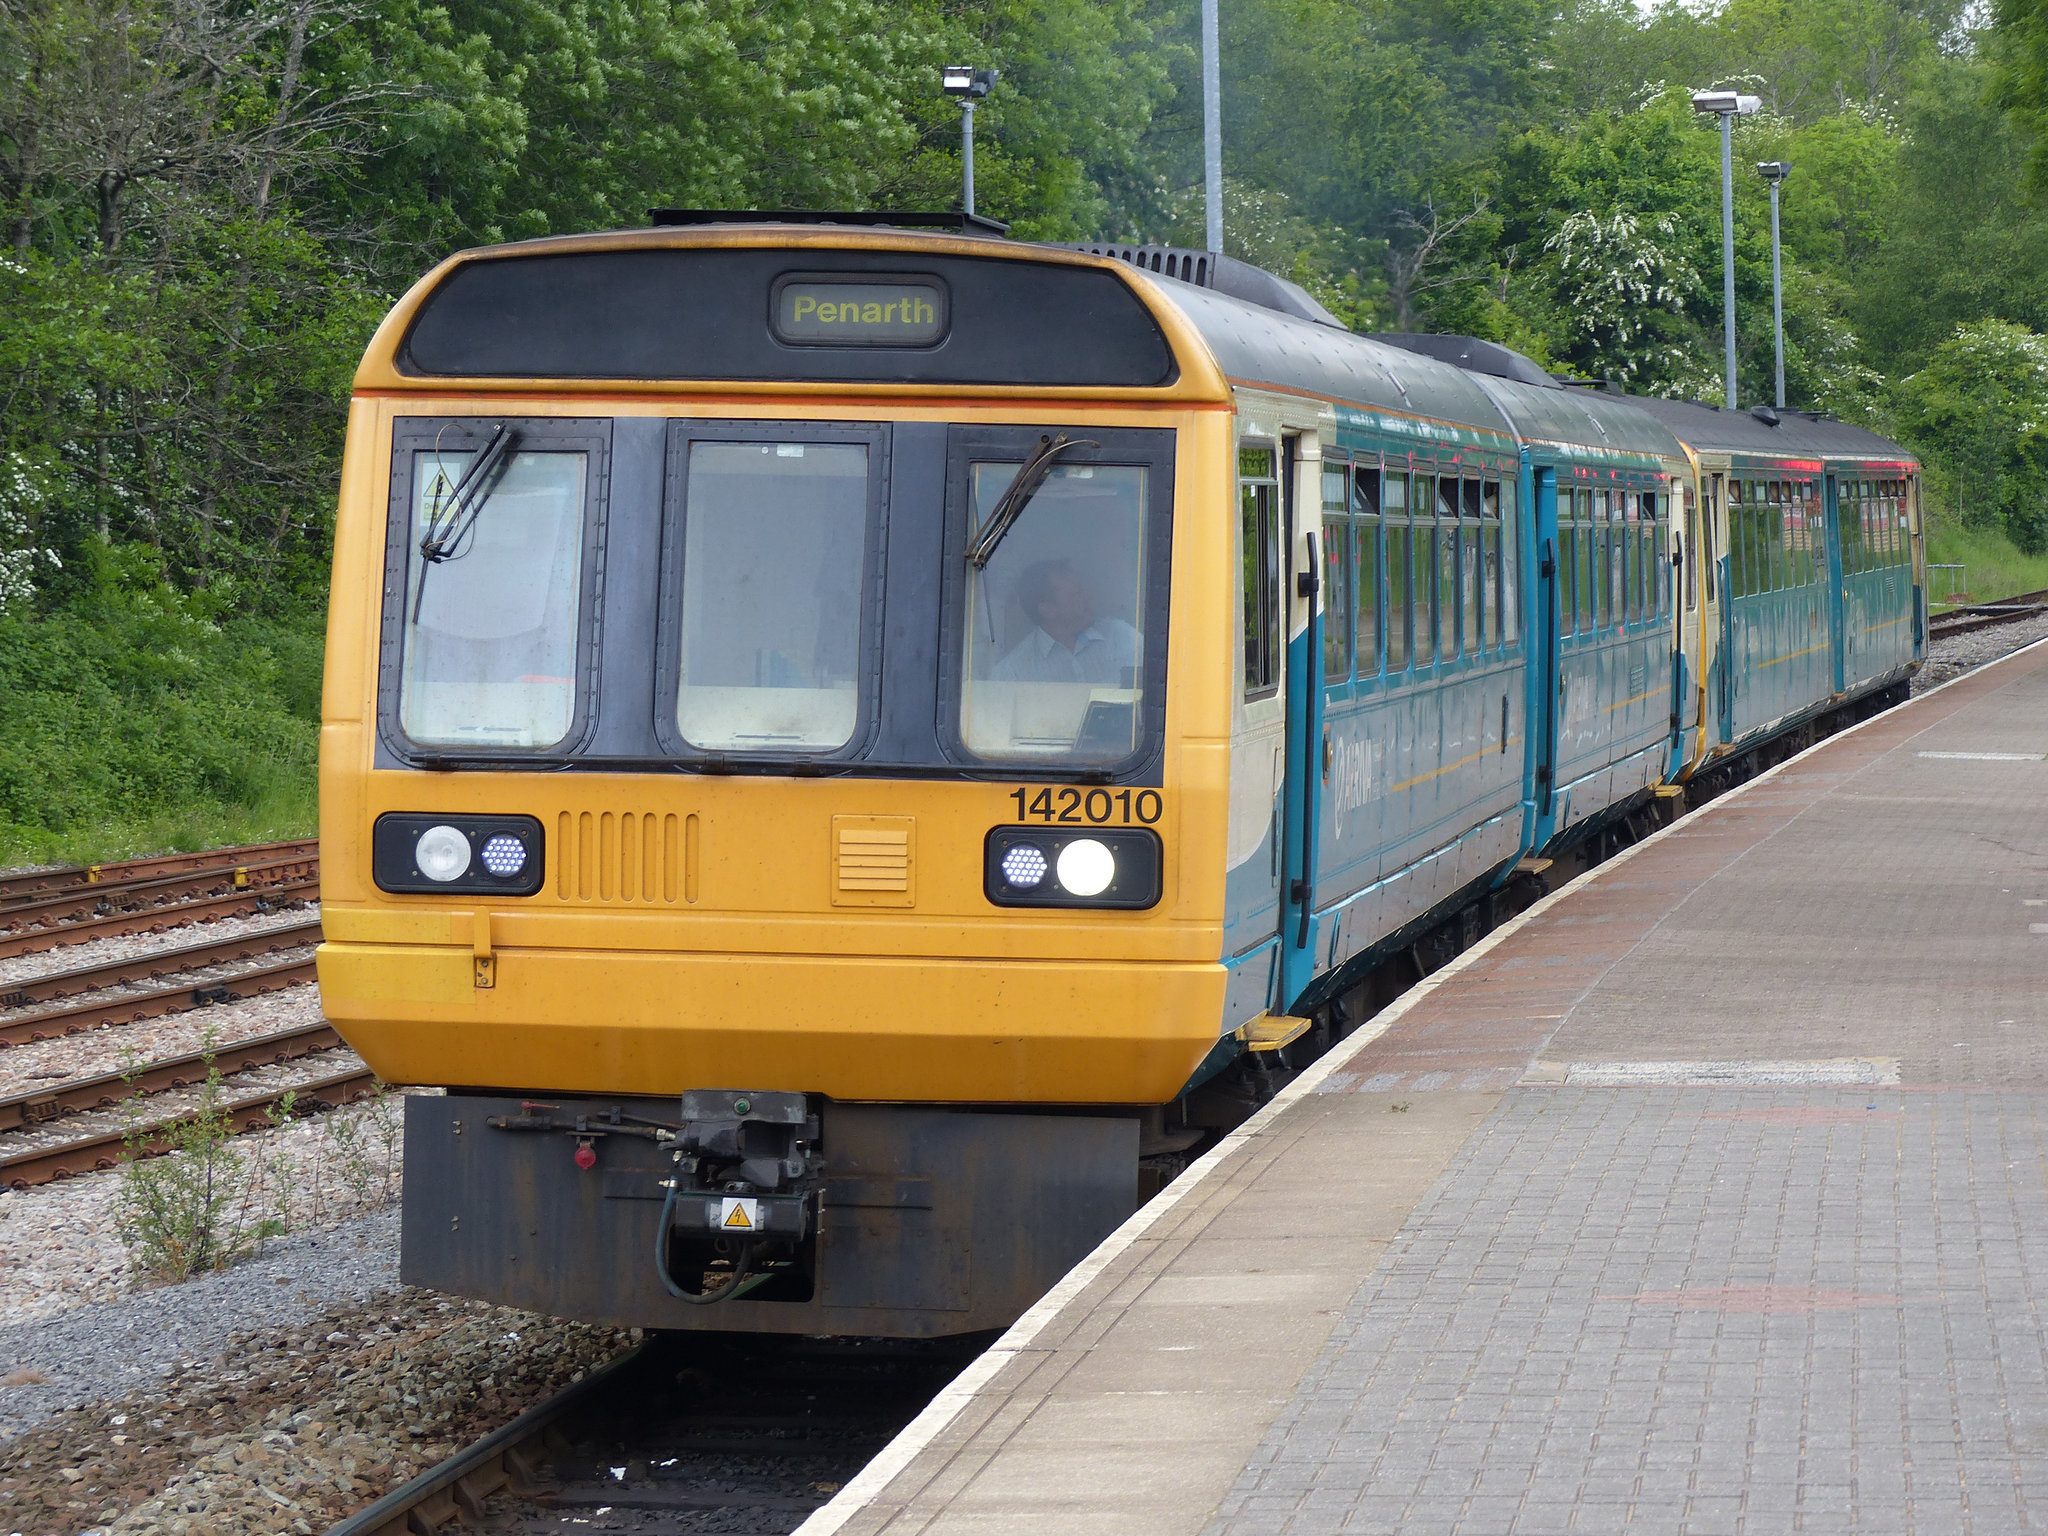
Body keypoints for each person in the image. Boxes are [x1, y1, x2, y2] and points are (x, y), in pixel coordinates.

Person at [990, 559, 1140, 685]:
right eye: (1077, 594)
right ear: (1048, 610)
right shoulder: (1013, 673)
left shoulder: (1122, 637)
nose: (1089, 597)